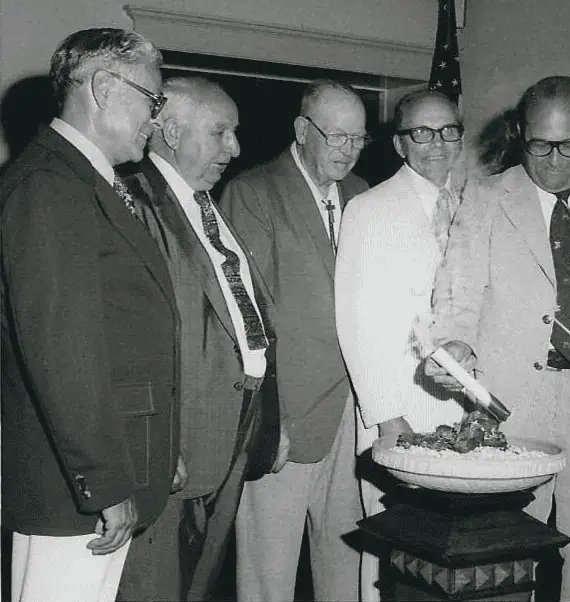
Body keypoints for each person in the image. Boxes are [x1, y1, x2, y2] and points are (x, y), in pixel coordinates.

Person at [425, 75, 570, 601]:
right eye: (539, 144)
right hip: (514, 404)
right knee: (502, 558)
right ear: (520, 133)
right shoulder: (485, 196)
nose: (552, 160)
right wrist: (456, 343)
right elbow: (458, 291)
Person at [0, 28, 179, 602]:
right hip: (72, 485)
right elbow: (61, 349)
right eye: (152, 100)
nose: (156, 119)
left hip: (102, 464)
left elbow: (123, 334)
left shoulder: (85, 180)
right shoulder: (50, 185)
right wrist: (103, 480)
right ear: (103, 87)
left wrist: (159, 447)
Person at [116, 76, 275, 601]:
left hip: (234, 422)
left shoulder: (207, 205)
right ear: (171, 132)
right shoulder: (135, 202)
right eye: (220, 131)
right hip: (177, 434)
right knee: (153, 584)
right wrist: (153, 439)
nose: (235, 147)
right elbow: (128, 340)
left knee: (199, 582)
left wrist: (269, 416)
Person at [221, 79, 369, 602]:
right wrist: (266, 415)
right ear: (303, 130)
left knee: (349, 571)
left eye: (358, 138)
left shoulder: (364, 195)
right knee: (268, 576)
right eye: (337, 137)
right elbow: (245, 320)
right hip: (286, 416)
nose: (348, 150)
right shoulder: (252, 192)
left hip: (353, 418)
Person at [335, 89, 468, 602]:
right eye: (421, 132)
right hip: (401, 406)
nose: (437, 143)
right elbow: (356, 320)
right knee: (395, 557)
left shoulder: (475, 203)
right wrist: (388, 418)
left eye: (448, 129)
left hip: (461, 406)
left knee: (452, 555)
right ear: (399, 143)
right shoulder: (370, 209)